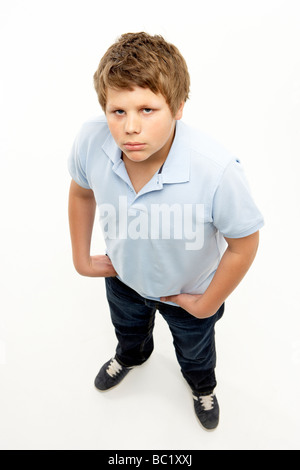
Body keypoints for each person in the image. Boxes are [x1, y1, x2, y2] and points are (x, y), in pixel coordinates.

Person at [68, 32, 264, 431]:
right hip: (123, 278)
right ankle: (131, 356)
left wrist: (208, 303)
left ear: (177, 107)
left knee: (195, 352)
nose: (130, 128)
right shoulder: (91, 140)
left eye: (147, 109)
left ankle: (201, 385)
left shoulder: (216, 170)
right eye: (117, 111)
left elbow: (243, 243)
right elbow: (81, 192)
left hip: (189, 293)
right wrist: (81, 259)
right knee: (128, 331)